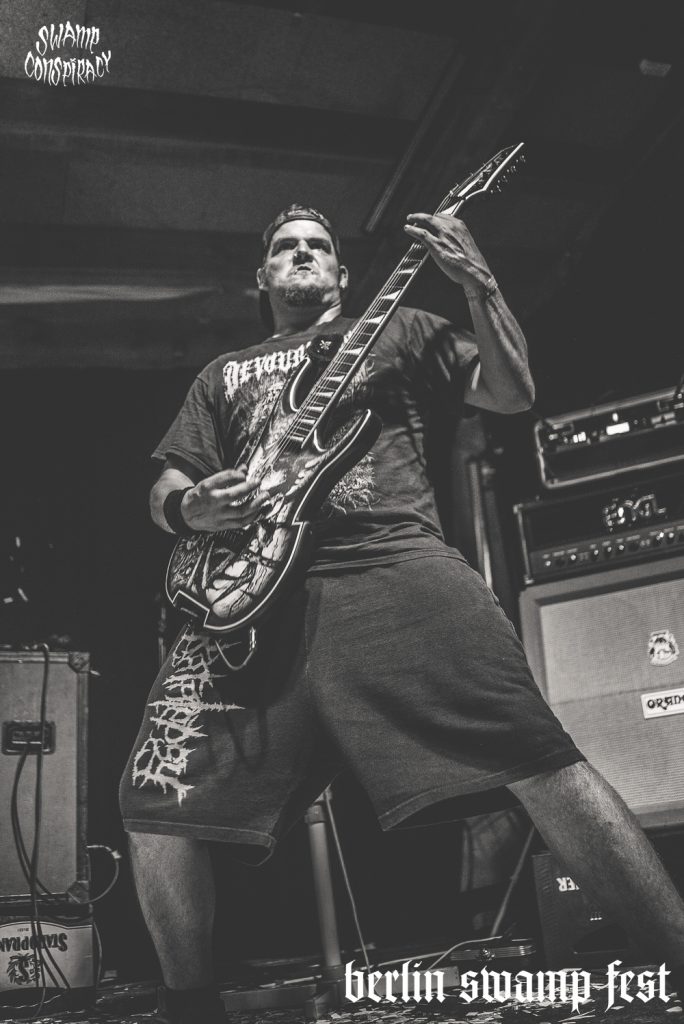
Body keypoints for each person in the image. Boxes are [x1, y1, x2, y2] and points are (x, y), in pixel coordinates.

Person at [120, 204, 684, 1024]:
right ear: (261, 276)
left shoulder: (401, 328)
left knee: (538, 756)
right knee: (153, 801)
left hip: (393, 564)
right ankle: (190, 1009)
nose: (303, 254)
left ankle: (675, 958)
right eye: (285, 247)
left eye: (319, 246)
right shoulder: (222, 374)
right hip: (245, 599)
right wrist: (191, 508)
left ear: (343, 274)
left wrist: (478, 283)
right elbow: (167, 487)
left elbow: (512, 393)